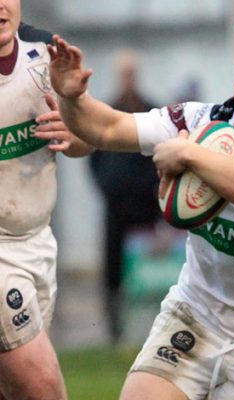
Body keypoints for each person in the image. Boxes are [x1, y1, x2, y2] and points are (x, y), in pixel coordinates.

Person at [49, 21, 234, 400]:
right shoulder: (200, 122)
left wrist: (189, 154)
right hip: (195, 314)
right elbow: (106, 129)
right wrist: (73, 97)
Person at [0, 2, 93, 399]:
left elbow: (89, 139)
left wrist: (75, 131)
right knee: (44, 387)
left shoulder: (44, 52)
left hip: (38, 242)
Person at [88, 48, 161, 346]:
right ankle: (114, 331)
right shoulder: (106, 113)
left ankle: (156, 327)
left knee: (155, 264)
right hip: (115, 207)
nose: (128, 79)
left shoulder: (152, 112)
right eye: (124, 74)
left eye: (132, 73)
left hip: (148, 207)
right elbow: (94, 158)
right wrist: (108, 187)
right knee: (112, 270)